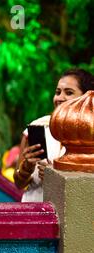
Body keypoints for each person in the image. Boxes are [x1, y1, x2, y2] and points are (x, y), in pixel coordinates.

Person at [14, 68, 94, 202]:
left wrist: (54, 177)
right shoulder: (38, 126)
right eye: (58, 92)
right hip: (34, 210)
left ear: (85, 99)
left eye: (69, 93)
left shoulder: (90, 135)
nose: (60, 98)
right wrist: (26, 168)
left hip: (73, 213)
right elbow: (19, 184)